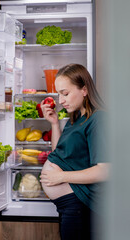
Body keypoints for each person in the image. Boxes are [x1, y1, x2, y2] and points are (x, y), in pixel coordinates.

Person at [40, 63, 110, 240]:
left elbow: (105, 170)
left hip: (79, 205)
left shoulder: (98, 119)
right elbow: (60, 155)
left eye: (65, 93)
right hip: (69, 206)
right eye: (58, 94)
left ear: (84, 90)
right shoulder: (76, 118)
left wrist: (61, 177)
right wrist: (55, 124)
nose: (60, 100)